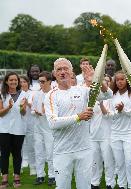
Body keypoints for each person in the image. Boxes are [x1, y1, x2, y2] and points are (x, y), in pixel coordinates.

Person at [44, 58, 113, 189]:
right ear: (54, 73)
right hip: (62, 151)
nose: (63, 72)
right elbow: (53, 122)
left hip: (84, 150)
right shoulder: (51, 95)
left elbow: (108, 94)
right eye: (59, 69)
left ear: (71, 72)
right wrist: (78, 117)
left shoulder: (82, 91)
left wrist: (96, 79)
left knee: (85, 186)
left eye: (66, 69)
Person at [101, 70, 131, 189]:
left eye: (122, 79)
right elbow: (109, 115)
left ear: (127, 80)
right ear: (115, 81)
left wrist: (123, 110)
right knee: (120, 162)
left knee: (130, 161)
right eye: (117, 80)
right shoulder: (112, 96)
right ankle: (122, 185)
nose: (120, 82)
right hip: (115, 134)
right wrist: (118, 111)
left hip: (130, 133)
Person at [0, 72, 28, 188]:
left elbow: (23, 113)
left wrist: (22, 107)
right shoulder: (2, 94)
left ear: (18, 82)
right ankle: (5, 177)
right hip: (4, 129)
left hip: (18, 128)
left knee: (17, 153)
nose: (13, 82)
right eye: (11, 80)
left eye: (15, 80)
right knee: (4, 154)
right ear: (6, 81)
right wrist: (9, 107)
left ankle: (17, 177)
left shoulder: (23, 94)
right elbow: (0, 114)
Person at [90, 74, 116, 189]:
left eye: (107, 81)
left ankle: (110, 183)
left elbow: (111, 116)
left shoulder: (112, 98)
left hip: (107, 134)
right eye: (102, 81)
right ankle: (94, 183)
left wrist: (101, 105)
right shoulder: (91, 97)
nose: (104, 83)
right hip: (94, 135)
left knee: (108, 160)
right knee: (95, 161)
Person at [32, 71, 55, 186]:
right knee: (39, 152)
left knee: (50, 153)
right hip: (38, 128)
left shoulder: (54, 94)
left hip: (50, 129)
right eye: (39, 81)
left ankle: (52, 175)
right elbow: (32, 109)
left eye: (43, 82)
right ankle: (40, 175)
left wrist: (43, 113)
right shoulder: (36, 94)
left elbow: (56, 113)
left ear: (49, 81)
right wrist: (36, 112)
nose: (40, 84)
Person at [19, 76, 37, 175]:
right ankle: (19, 167)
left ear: (28, 83)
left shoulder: (33, 93)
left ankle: (33, 167)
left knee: (31, 146)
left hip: (31, 123)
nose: (22, 84)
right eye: (20, 82)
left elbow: (35, 107)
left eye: (24, 82)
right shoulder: (16, 94)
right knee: (19, 147)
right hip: (19, 124)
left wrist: (27, 103)